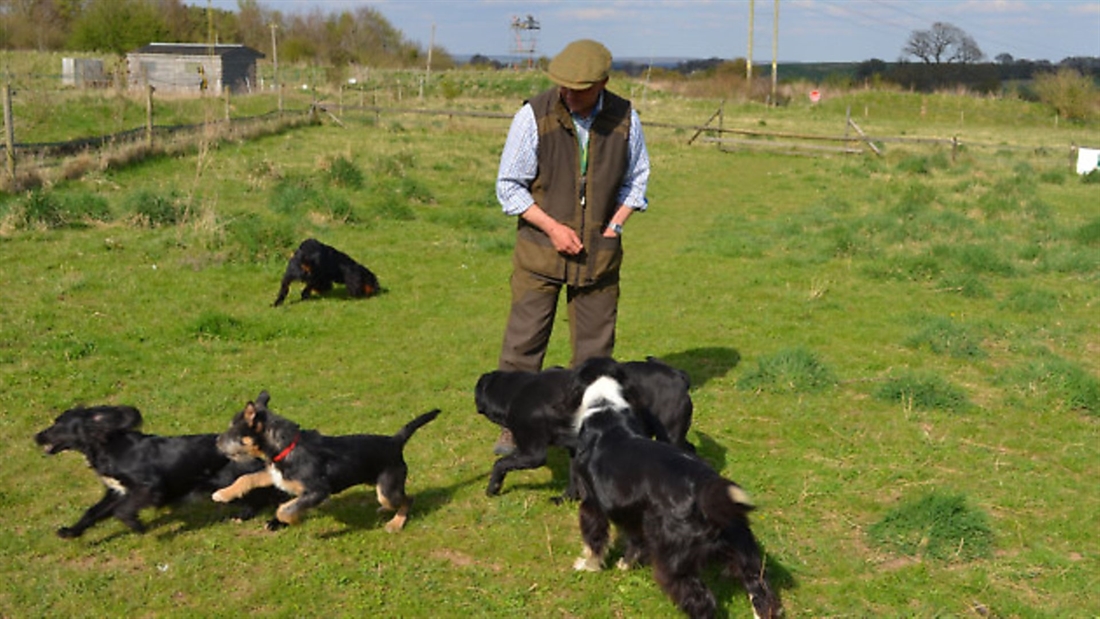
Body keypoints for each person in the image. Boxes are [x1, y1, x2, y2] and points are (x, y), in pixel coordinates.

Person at [492, 39, 651, 454]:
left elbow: (637, 182)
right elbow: (509, 187)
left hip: (599, 258)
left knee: (595, 357)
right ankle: (514, 426)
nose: (567, 94)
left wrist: (614, 227)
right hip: (539, 253)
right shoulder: (532, 116)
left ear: (602, 83)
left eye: (578, 88)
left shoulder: (626, 120)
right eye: (562, 85)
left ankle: (589, 432)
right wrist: (552, 227)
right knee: (522, 346)